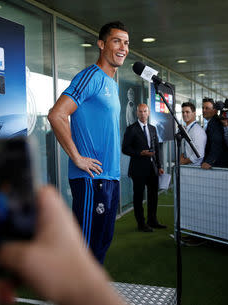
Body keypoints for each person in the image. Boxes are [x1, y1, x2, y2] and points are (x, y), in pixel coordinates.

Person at [47, 21, 129, 263]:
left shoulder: (112, 85)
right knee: (85, 250)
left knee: (101, 244)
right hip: (92, 179)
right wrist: (77, 157)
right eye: (116, 41)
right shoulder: (90, 76)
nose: (123, 47)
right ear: (102, 44)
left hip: (109, 177)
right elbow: (57, 115)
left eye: (126, 43)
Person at [122, 103, 166, 232]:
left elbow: (157, 149)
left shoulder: (152, 128)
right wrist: (139, 153)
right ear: (137, 113)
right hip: (138, 169)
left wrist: (159, 166)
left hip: (152, 168)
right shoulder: (131, 129)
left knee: (153, 196)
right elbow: (125, 148)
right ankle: (141, 224)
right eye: (140, 111)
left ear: (148, 113)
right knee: (138, 197)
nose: (142, 114)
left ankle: (152, 220)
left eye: (145, 111)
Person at [201, 98, 228, 169]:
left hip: (219, 163)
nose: (204, 110)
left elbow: (217, 143)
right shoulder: (212, 122)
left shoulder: (214, 123)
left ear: (215, 111)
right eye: (203, 108)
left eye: (207, 108)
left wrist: (209, 161)